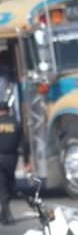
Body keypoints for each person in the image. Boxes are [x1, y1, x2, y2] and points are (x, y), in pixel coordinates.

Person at [0, 95, 27, 224]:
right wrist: (27, 160)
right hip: (12, 158)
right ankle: (5, 213)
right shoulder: (16, 123)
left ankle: (6, 214)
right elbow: (24, 143)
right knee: (9, 184)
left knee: (3, 186)